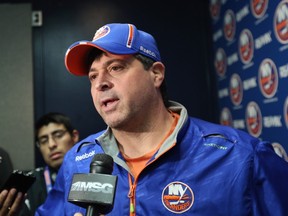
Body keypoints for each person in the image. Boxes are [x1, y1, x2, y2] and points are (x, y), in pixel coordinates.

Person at [33, 23, 288, 215]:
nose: (100, 83)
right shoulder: (77, 160)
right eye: (92, 76)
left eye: (115, 68)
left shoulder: (241, 156)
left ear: (156, 74)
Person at [0, 112, 79, 216]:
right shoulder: (28, 184)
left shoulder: (91, 172)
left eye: (58, 135)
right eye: (44, 140)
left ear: (74, 136)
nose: (51, 145)